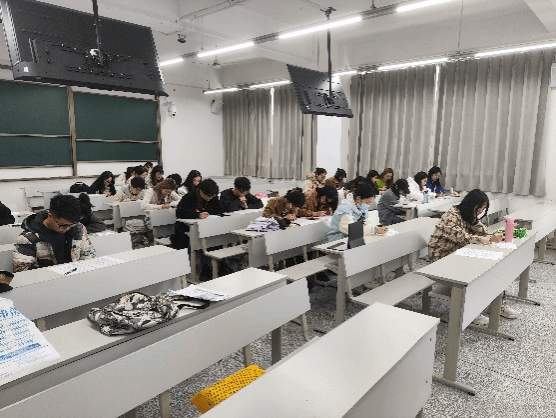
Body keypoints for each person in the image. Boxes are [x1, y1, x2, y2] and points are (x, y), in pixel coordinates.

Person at [428, 189, 519, 324]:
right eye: (479, 208)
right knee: (478, 271)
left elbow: (483, 231)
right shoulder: (451, 216)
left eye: (483, 209)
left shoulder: (468, 214)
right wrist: (488, 239)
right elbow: (463, 237)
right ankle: (470, 310)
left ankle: (497, 304)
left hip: (458, 252)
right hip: (441, 257)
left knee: (493, 267)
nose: (481, 211)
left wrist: (489, 234)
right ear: (470, 205)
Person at [13, 194, 95, 272]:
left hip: (76, 276)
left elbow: (88, 254)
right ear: (50, 216)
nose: (67, 228)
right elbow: (22, 270)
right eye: (63, 225)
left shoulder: (78, 228)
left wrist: (81, 272)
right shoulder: (28, 238)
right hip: (48, 280)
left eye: (71, 225)